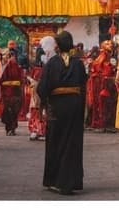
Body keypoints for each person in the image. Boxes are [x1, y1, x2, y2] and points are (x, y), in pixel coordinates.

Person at [38, 30, 88, 195]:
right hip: (74, 105)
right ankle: (69, 181)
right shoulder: (78, 64)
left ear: (58, 46)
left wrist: (44, 101)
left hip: (57, 106)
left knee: (56, 140)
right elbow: (83, 84)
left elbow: (43, 87)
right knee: (72, 141)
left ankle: (56, 180)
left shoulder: (52, 63)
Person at [0, 46, 25, 136]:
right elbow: (1, 82)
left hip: (16, 94)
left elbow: (22, 80)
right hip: (8, 94)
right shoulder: (7, 68)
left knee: (15, 112)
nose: (13, 59)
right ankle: (9, 129)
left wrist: (18, 83)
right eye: (11, 57)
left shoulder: (18, 68)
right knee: (9, 111)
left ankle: (12, 129)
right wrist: (11, 83)